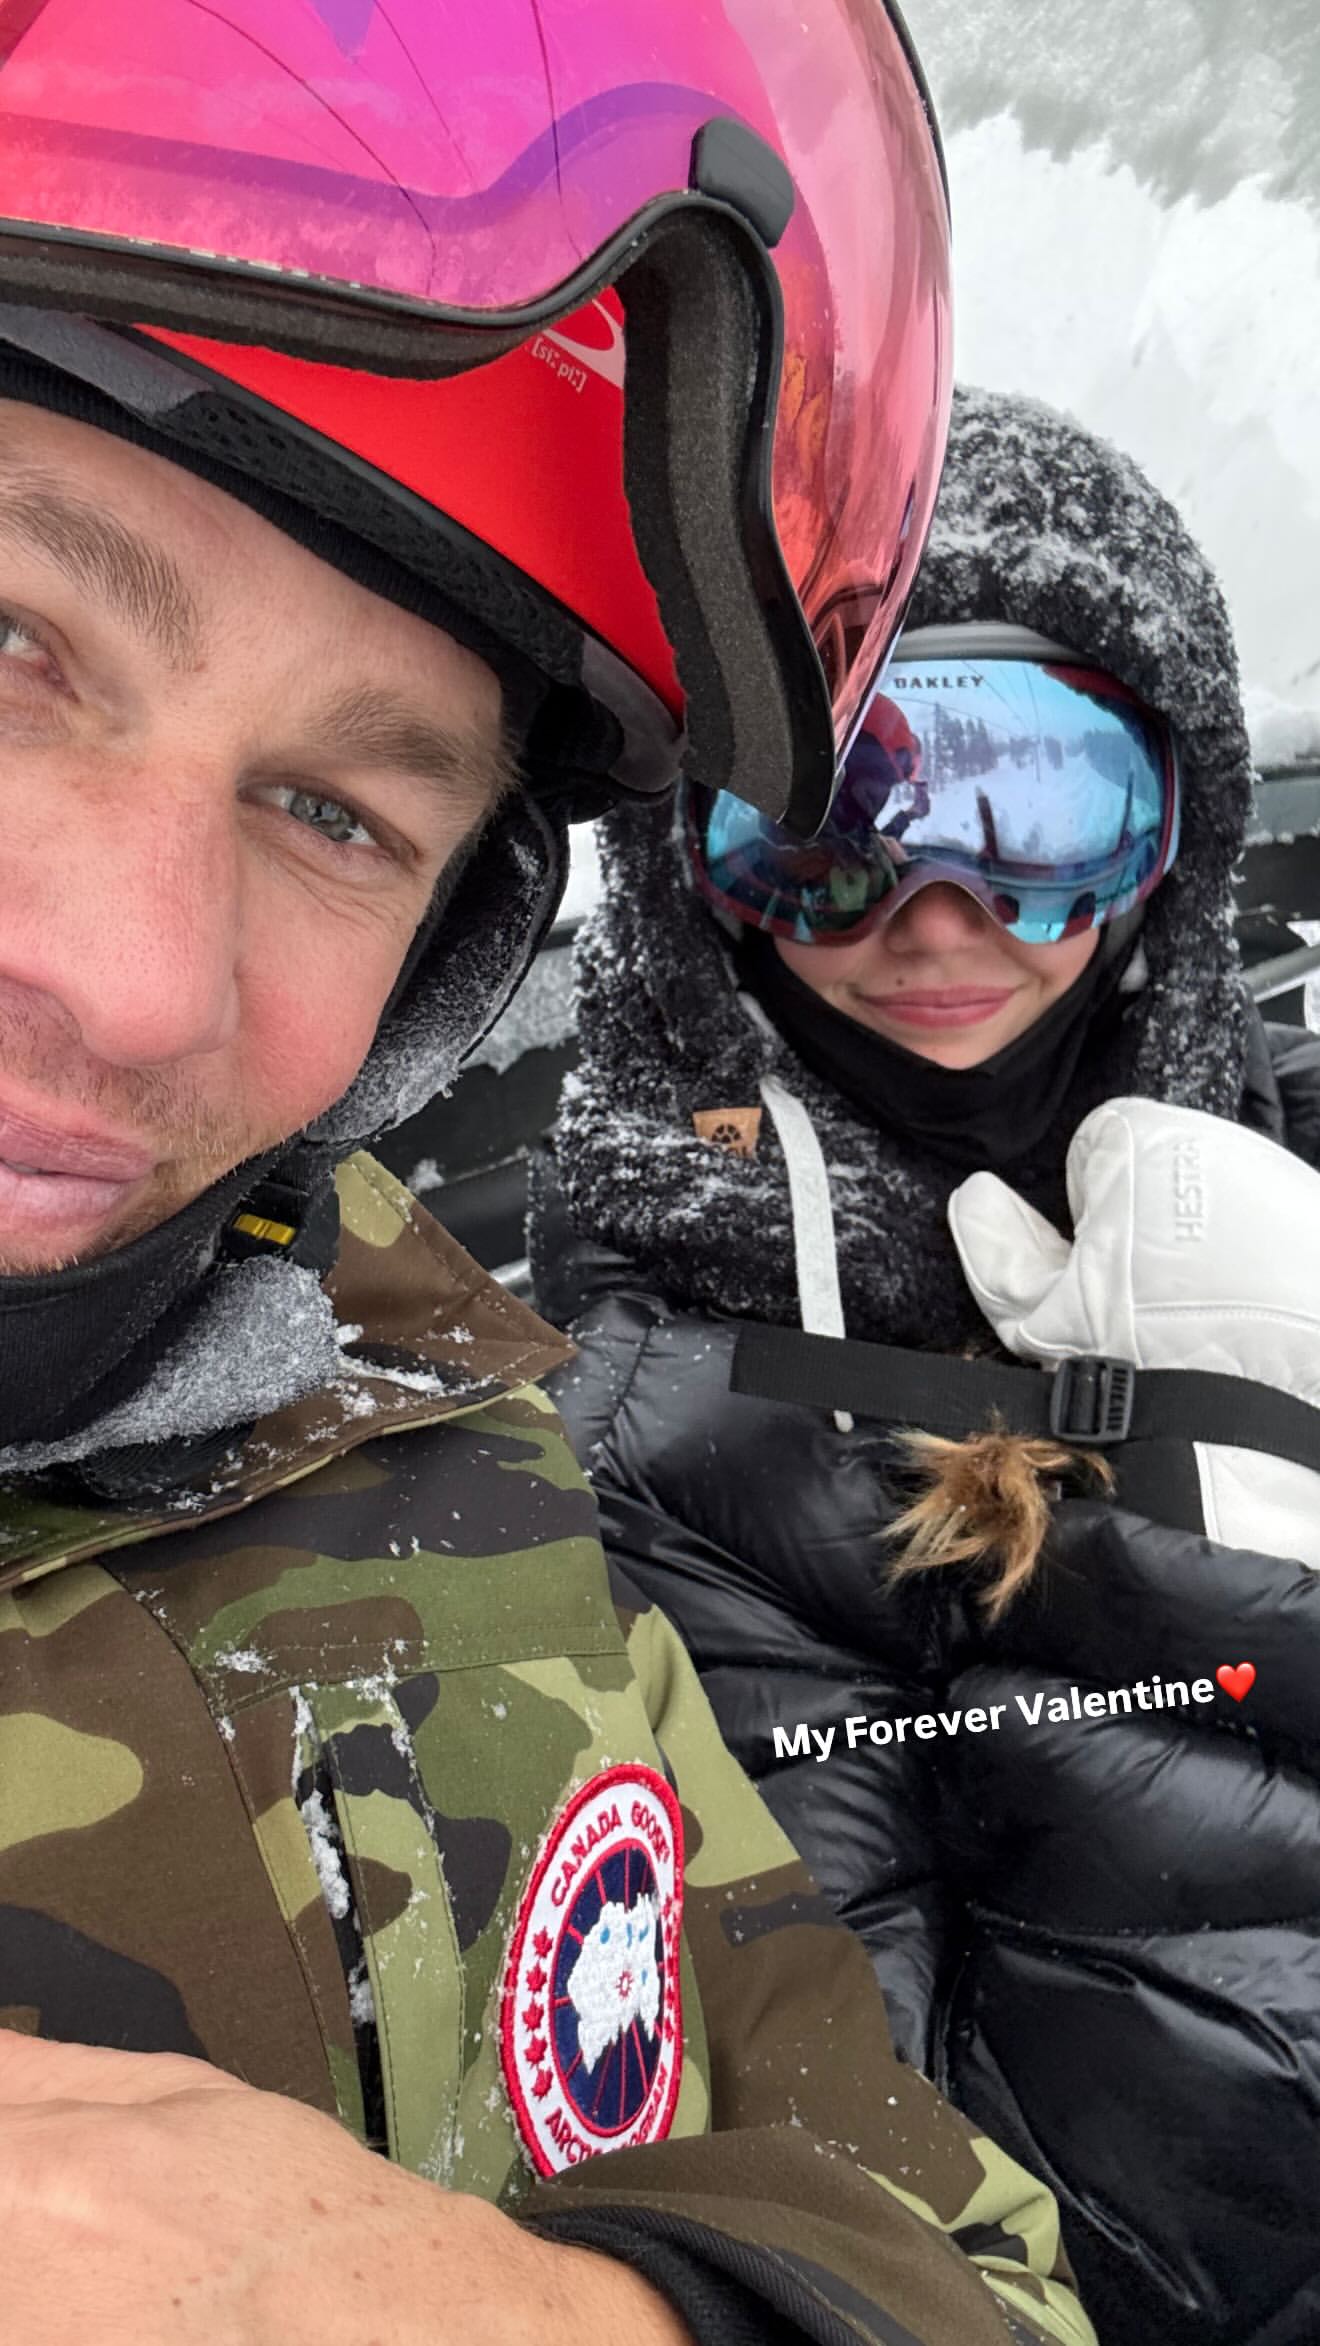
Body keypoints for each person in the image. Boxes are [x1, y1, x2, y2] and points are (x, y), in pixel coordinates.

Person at [0, 12, 1102, 2346]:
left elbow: (969, 2249)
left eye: (337, 813)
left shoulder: (427, 1425)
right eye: (15, 644)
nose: (131, 979)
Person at [533, 384, 1320, 2346]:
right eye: (835, 826)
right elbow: (885, 2195)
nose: (942, 914)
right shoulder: (652, 1418)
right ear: (692, 886)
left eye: (1038, 808)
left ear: (1174, 835)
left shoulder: (1286, 1191)